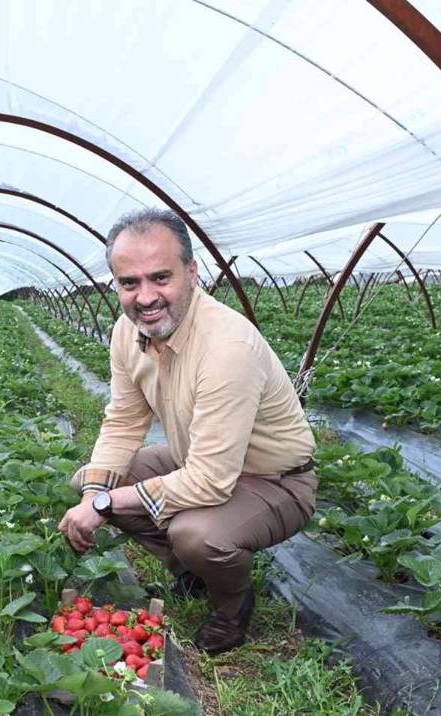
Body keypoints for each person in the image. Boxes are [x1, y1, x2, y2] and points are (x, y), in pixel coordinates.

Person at [57, 208, 317, 654]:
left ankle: (231, 604)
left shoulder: (226, 347)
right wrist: (94, 495)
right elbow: (123, 419)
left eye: (161, 277)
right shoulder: (128, 332)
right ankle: (193, 572)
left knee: (197, 534)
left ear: (192, 273)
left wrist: (102, 505)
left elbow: (211, 480)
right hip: (197, 459)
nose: (146, 297)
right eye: (129, 283)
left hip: (273, 479)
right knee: (92, 478)